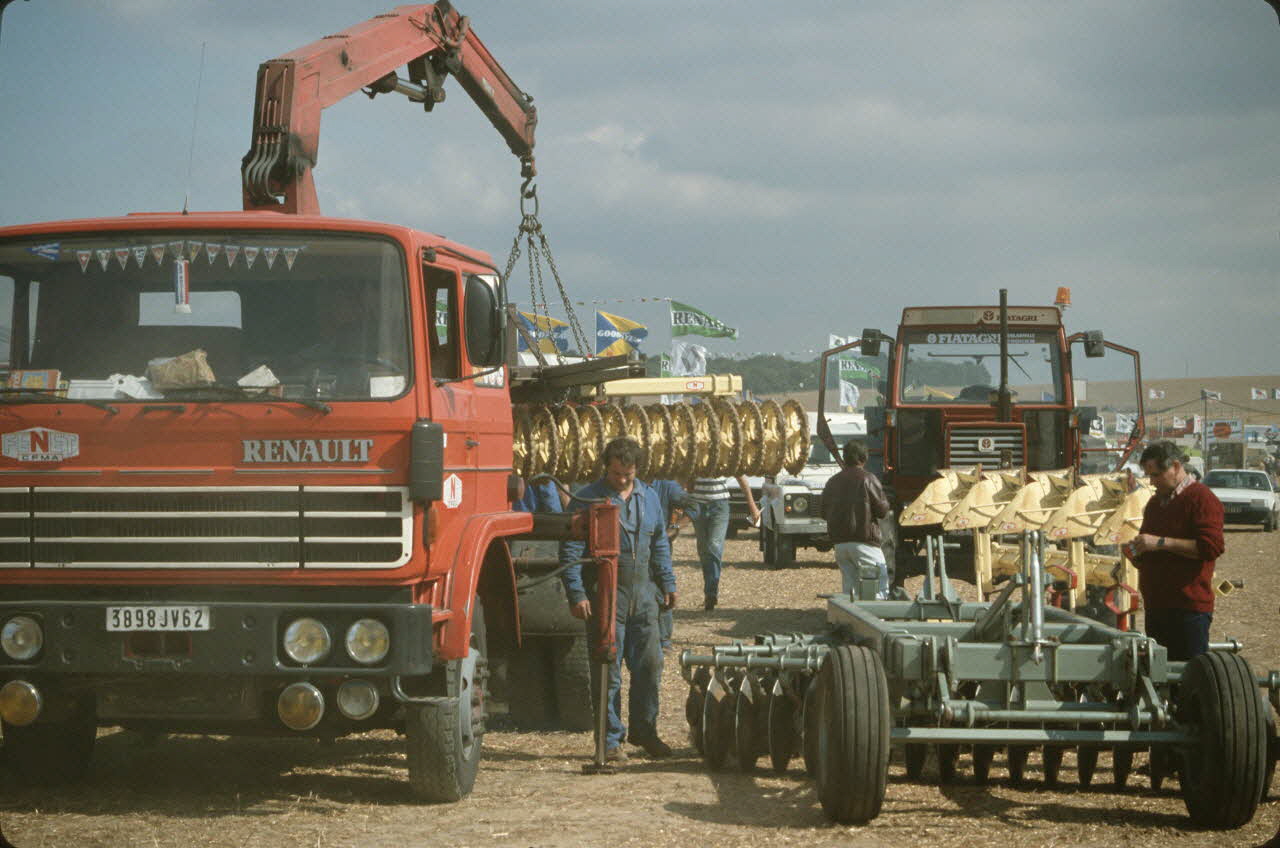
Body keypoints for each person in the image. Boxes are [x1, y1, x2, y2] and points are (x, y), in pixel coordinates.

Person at [560, 438, 676, 762]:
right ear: (605, 468)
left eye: (627, 474)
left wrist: (667, 581)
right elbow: (569, 549)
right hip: (606, 594)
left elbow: (660, 543)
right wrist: (576, 592)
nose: (622, 480)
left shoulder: (649, 497)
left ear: (637, 470)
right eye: (615, 474)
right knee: (607, 670)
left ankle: (644, 731)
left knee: (650, 666)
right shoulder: (586, 498)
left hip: (644, 593)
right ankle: (609, 740)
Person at [1128, 440, 1225, 661]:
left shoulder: (1202, 499)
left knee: (1188, 680)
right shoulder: (1155, 504)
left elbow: (1210, 547)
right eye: (1149, 476)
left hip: (1188, 611)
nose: (1152, 482)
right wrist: (1137, 552)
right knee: (1161, 677)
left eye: (1156, 475)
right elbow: (1151, 546)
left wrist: (1160, 543)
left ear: (1175, 466)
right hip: (1157, 609)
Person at [821, 440, 891, 600]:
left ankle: (851, 620)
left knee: (850, 591)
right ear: (864, 458)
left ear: (845, 458)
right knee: (878, 584)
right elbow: (882, 511)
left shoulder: (832, 481)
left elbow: (824, 513)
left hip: (840, 544)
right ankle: (877, 618)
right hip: (864, 541)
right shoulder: (869, 479)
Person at [688, 474, 759, 610]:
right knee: (703, 549)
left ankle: (711, 593)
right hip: (698, 505)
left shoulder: (725, 454)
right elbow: (687, 477)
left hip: (719, 505)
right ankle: (709, 588)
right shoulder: (696, 453)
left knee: (714, 546)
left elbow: (740, 477)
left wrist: (752, 506)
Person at [648, 478, 691, 651]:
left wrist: (674, 528)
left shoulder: (666, 487)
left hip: (658, 547)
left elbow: (693, 506)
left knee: (662, 588)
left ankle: (664, 640)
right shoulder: (622, 482)